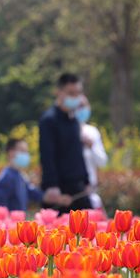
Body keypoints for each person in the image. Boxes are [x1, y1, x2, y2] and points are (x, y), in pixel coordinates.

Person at [38, 73, 91, 214]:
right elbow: (47, 155)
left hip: (78, 186)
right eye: (71, 93)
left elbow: (78, 154)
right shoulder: (49, 120)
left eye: (78, 93)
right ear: (59, 92)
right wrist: (52, 186)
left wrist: (86, 180)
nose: (75, 97)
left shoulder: (74, 120)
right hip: (60, 189)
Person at [0, 139, 51, 212]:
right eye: (22, 151)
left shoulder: (21, 176)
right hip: (11, 223)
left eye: (27, 151)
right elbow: (0, 209)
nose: (26, 155)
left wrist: (57, 198)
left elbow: (34, 193)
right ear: (11, 152)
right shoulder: (6, 178)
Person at [76, 97, 109, 210]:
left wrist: (91, 146)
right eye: (79, 107)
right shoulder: (63, 131)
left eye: (84, 106)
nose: (82, 110)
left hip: (90, 190)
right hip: (72, 192)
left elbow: (102, 162)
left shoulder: (92, 131)